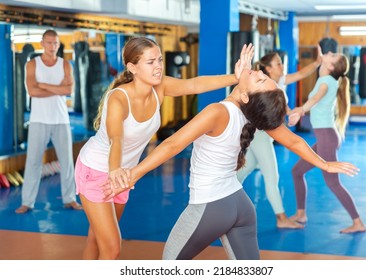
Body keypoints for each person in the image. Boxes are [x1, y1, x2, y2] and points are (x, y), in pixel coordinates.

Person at [103, 67, 359, 260]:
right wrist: (324, 165)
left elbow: (173, 145)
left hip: (210, 206)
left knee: (169, 264)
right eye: (263, 74)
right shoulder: (252, 116)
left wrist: (133, 174)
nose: (258, 71)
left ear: (247, 95)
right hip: (240, 206)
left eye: (259, 78)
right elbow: (293, 142)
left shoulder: (218, 112)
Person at [74, 37, 254, 260]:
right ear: (133, 67)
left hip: (124, 174)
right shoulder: (118, 99)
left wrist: (237, 77)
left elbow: (195, 84)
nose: (158, 66)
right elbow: (116, 139)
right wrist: (114, 171)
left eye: (159, 59)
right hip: (98, 170)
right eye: (150, 62)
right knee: (111, 248)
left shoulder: (159, 87)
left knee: (96, 240)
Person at [236, 46, 322, 229]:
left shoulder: (279, 82)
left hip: (262, 133)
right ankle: (281, 218)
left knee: (248, 166)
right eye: (279, 63)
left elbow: (301, 74)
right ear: (268, 69)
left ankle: (223, 196)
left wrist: (316, 62)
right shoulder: (260, 87)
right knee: (271, 177)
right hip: (260, 135)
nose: (282, 66)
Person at [287, 51, 366, 234]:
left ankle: (357, 222)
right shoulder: (327, 79)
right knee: (297, 171)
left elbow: (315, 99)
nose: (330, 52)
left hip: (327, 138)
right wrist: (320, 59)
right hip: (326, 137)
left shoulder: (325, 82)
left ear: (331, 66)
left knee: (333, 183)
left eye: (333, 55)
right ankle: (301, 214)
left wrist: (300, 110)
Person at [16, 29, 82, 214]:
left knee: (67, 162)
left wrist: (43, 85)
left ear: (59, 44)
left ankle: (70, 199)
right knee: (33, 162)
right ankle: (27, 202)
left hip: (61, 119)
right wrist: (57, 88)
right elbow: (32, 91)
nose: (52, 46)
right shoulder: (32, 65)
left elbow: (68, 90)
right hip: (38, 120)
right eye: (49, 43)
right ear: (42, 43)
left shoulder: (65, 65)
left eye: (55, 43)